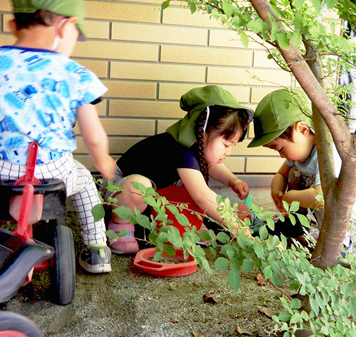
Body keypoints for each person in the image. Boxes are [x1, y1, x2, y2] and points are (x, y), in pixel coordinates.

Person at [0, 0, 116, 273]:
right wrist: (103, 160)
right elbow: (93, 137)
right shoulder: (74, 74)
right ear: (67, 25)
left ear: (13, 26)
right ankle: (97, 250)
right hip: (54, 174)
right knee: (85, 183)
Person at [104, 85, 254, 254]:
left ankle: (186, 227)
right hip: (118, 190)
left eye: (232, 145)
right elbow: (202, 197)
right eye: (226, 144)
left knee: (190, 183)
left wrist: (233, 180)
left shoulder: (195, 147)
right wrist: (237, 227)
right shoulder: (180, 149)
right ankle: (120, 225)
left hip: (152, 198)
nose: (228, 152)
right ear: (202, 131)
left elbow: (213, 165)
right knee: (140, 185)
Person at [248, 89, 356, 254]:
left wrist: (289, 197)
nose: (281, 154)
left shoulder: (330, 151)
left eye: (280, 148)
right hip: (329, 204)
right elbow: (282, 174)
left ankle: (340, 245)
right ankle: (297, 225)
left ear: (302, 129)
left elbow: (321, 197)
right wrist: (277, 190)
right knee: (293, 173)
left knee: (321, 193)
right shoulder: (303, 149)